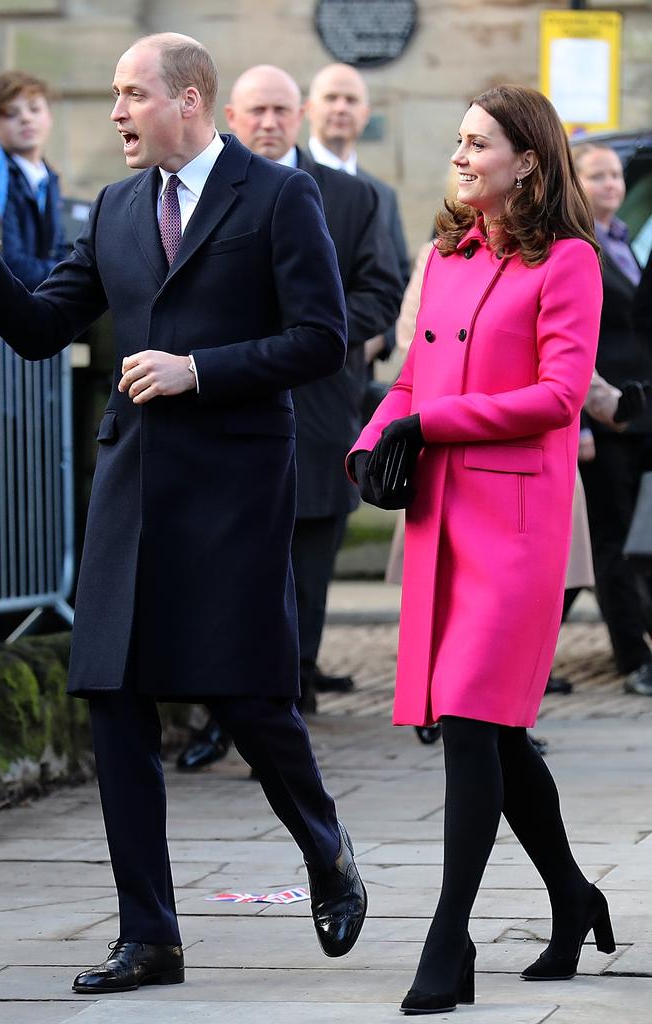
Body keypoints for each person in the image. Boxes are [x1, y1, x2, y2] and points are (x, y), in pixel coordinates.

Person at [0, 32, 367, 994]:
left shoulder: (279, 196)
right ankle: (149, 936)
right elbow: (42, 329)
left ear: (190, 101)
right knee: (113, 700)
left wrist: (198, 370)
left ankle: (326, 851)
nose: (115, 112)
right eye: (114, 95)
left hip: (238, 484)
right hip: (132, 480)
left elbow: (323, 340)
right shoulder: (118, 206)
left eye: (131, 94)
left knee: (248, 697)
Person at [348, 86, 611, 1014]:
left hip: (515, 528)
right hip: (440, 520)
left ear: (527, 162)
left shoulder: (570, 261)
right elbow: (410, 377)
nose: (460, 156)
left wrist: (427, 423)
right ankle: (574, 899)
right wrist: (371, 441)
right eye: (457, 141)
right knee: (494, 732)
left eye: (476, 143)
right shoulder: (446, 255)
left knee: (467, 718)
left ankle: (447, 940)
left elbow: (558, 394)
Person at [227, 64, 399, 713]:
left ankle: (293, 693)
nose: (269, 124)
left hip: (321, 404)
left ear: (298, 116)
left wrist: (308, 335)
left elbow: (381, 291)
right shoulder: (206, 192)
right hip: (229, 406)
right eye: (256, 112)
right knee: (238, 568)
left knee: (308, 566)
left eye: (281, 111)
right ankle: (229, 710)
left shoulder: (353, 199)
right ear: (232, 120)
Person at [574, 143, 652, 696]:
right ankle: (631, 655)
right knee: (612, 537)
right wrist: (579, 424)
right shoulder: (575, 247)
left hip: (641, 411)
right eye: (597, 175)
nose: (610, 184)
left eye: (616, 175)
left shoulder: (625, 240)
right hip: (600, 417)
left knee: (639, 537)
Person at [306, 61, 410, 373]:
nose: (340, 108)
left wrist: (378, 341)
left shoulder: (381, 195)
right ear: (309, 109)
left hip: (354, 370)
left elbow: (399, 281)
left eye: (351, 100)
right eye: (331, 98)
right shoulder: (287, 179)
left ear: (365, 114)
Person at [0, 71, 68, 289]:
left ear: (50, 116)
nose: (26, 118)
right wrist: (69, 278)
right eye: (11, 113)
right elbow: (9, 261)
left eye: (35, 109)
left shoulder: (49, 176)